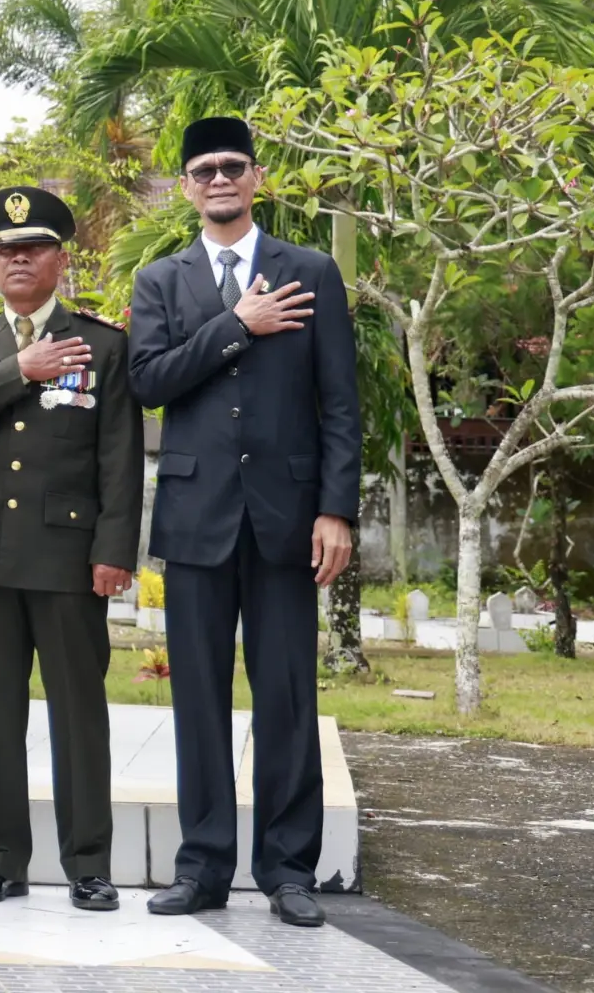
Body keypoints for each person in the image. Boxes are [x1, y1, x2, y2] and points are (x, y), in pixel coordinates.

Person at [130, 116, 360, 928]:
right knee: (198, 698)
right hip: (196, 517)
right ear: (186, 188)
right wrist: (237, 326)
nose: (220, 179)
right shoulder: (160, 280)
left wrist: (335, 509)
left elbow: (340, 403)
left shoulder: (312, 271)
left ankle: (289, 870)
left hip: (288, 519)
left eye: (233, 165)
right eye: (205, 170)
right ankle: (202, 867)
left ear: (257, 178)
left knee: (288, 697)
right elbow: (149, 382)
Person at [0, 187, 143, 911]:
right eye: (6, 252)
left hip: (68, 555)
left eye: (34, 249)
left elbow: (119, 457)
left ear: (60, 260)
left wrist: (114, 550)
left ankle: (89, 864)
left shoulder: (103, 344)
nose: (19, 261)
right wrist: (23, 369)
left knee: (78, 713)